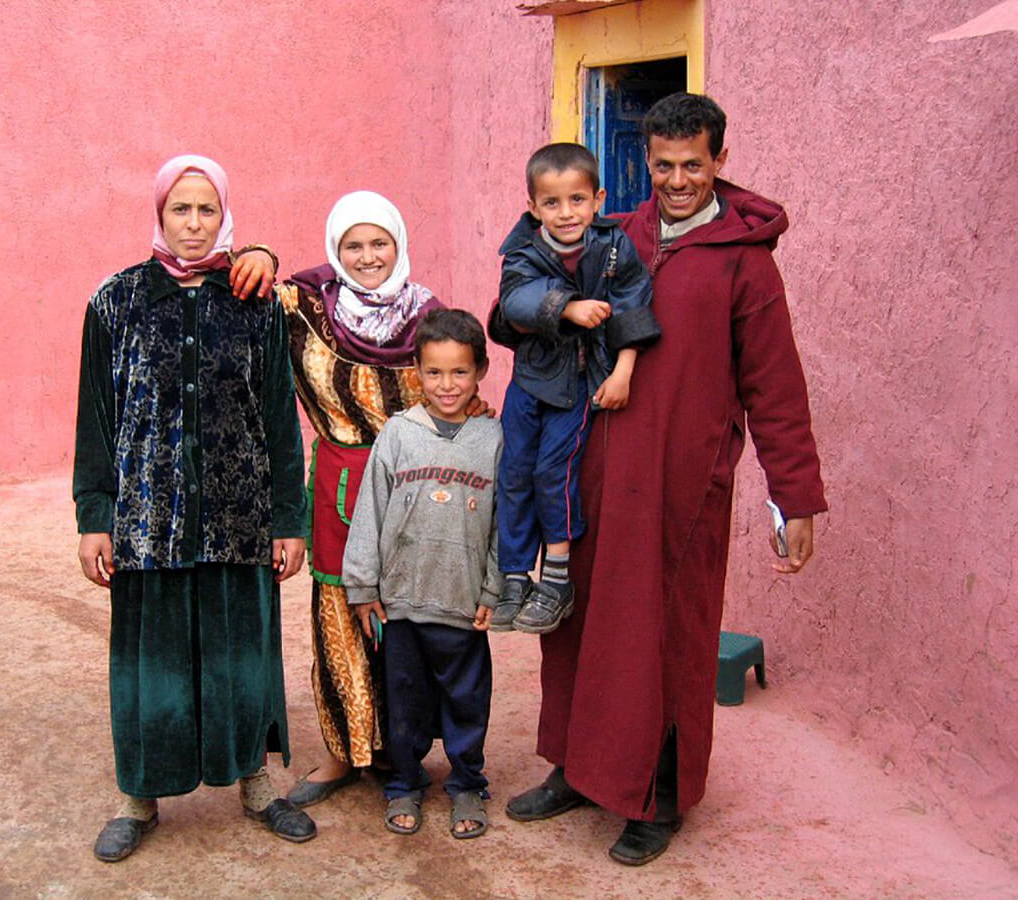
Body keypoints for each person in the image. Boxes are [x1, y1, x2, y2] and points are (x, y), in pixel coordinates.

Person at [504, 93, 828, 865]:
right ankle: (577, 769)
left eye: (693, 164)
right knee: (580, 625)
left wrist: (796, 494)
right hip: (588, 464)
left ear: (719, 160)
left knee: (665, 636)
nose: (678, 179)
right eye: (663, 166)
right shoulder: (618, 238)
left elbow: (775, 386)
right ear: (644, 165)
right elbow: (532, 295)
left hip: (683, 483)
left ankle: (660, 794)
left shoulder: (745, 263)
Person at [73, 154, 316, 862]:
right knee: (150, 666)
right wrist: (96, 515)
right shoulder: (115, 302)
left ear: (225, 216)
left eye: (206, 209)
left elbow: (279, 415)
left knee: (243, 658)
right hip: (146, 524)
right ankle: (138, 798)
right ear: (158, 214)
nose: (192, 222)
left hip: (238, 522)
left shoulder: (254, 302)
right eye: (180, 209)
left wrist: (287, 519)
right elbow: (96, 417)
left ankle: (257, 784)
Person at [276, 191, 443, 808]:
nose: (368, 256)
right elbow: (245, 275)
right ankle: (342, 753)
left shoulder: (429, 317)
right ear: (334, 251)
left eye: (380, 243)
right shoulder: (306, 312)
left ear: (399, 246)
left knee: (412, 619)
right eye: (353, 245)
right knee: (339, 616)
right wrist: (262, 252)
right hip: (340, 487)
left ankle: (406, 751)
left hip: (413, 487)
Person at [341, 308, 502, 838]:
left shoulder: (493, 439)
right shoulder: (397, 435)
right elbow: (370, 511)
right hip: (402, 601)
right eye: (434, 372)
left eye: (460, 372)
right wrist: (363, 585)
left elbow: (506, 520)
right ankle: (404, 783)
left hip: (461, 601)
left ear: (480, 370)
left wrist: (494, 587)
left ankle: (466, 785)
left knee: (466, 699)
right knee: (405, 699)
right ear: (416, 371)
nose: (447, 384)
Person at [488, 143, 658, 635]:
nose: (567, 213)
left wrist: (622, 371)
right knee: (514, 472)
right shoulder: (522, 249)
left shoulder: (614, 246)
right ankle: (515, 575)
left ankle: (557, 577)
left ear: (598, 197)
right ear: (533, 207)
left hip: (580, 383)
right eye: (553, 203)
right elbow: (516, 300)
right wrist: (566, 307)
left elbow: (633, 307)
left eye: (578, 200)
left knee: (553, 473)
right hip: (529, 382)